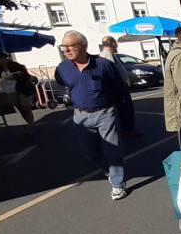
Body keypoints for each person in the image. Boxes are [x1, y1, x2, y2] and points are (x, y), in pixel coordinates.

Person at [54, 31, 129, 200]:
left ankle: (118, 184)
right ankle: (110, 170)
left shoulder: (103, 64)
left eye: (70, 46)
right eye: (63, 46)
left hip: (105, 113)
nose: (66, 50)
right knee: (89, 151)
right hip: (80, 115)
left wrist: (121, 114)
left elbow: (119, 89)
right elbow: (65, 83)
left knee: (112, 149)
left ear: (84, 46)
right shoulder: (63, 68)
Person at [99, 36, 141, 137]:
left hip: (118, 87)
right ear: (113, 44)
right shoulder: (107, 55)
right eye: (116, 43)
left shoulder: (108, 55)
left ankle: (127, 129)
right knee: (125, 109)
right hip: (118, 88)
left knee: (125, 109)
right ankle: (127, 130)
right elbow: (113, 73)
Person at [0, 53, 35, 136]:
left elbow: (26, 76)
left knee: (26, 107)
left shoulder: (15, 65)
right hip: (10, 90)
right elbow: (0, 78)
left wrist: (15, 76)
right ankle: (29, 123)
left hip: (21, 88)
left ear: (3, 58)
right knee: (20, 108)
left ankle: (31, 126)